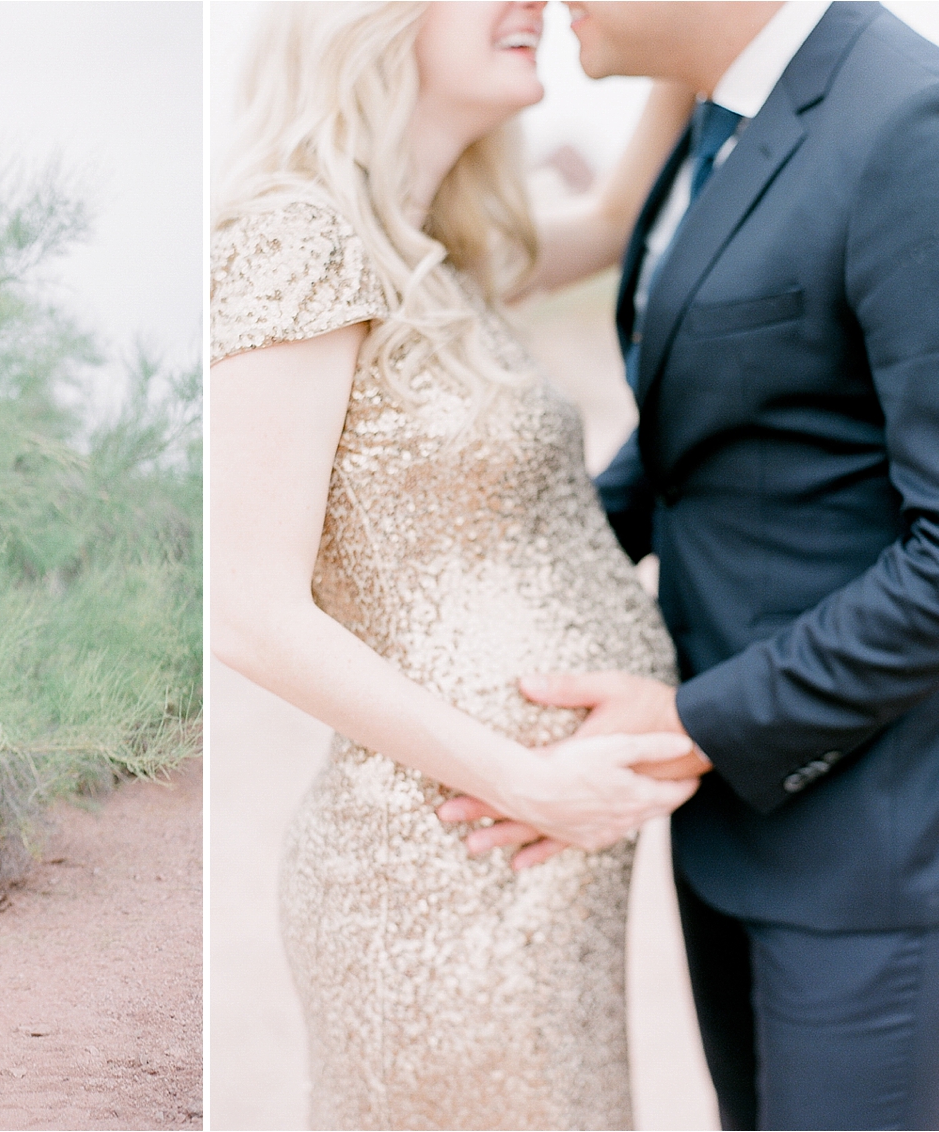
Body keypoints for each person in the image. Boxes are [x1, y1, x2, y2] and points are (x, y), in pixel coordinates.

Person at [464, 3, 939, 1128]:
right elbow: (712, 431)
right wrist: (490, 580)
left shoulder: (925, 132)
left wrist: (696, 724)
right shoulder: (721, 117)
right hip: (732, 807)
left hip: (876, 830)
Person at [211, 4, 710, 1127]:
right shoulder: (298, 237)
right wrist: (529, 780)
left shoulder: (440, 250)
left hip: (537, 868)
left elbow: (620, 213)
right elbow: (244, 609)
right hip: (440, 862)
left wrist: (694, 36)